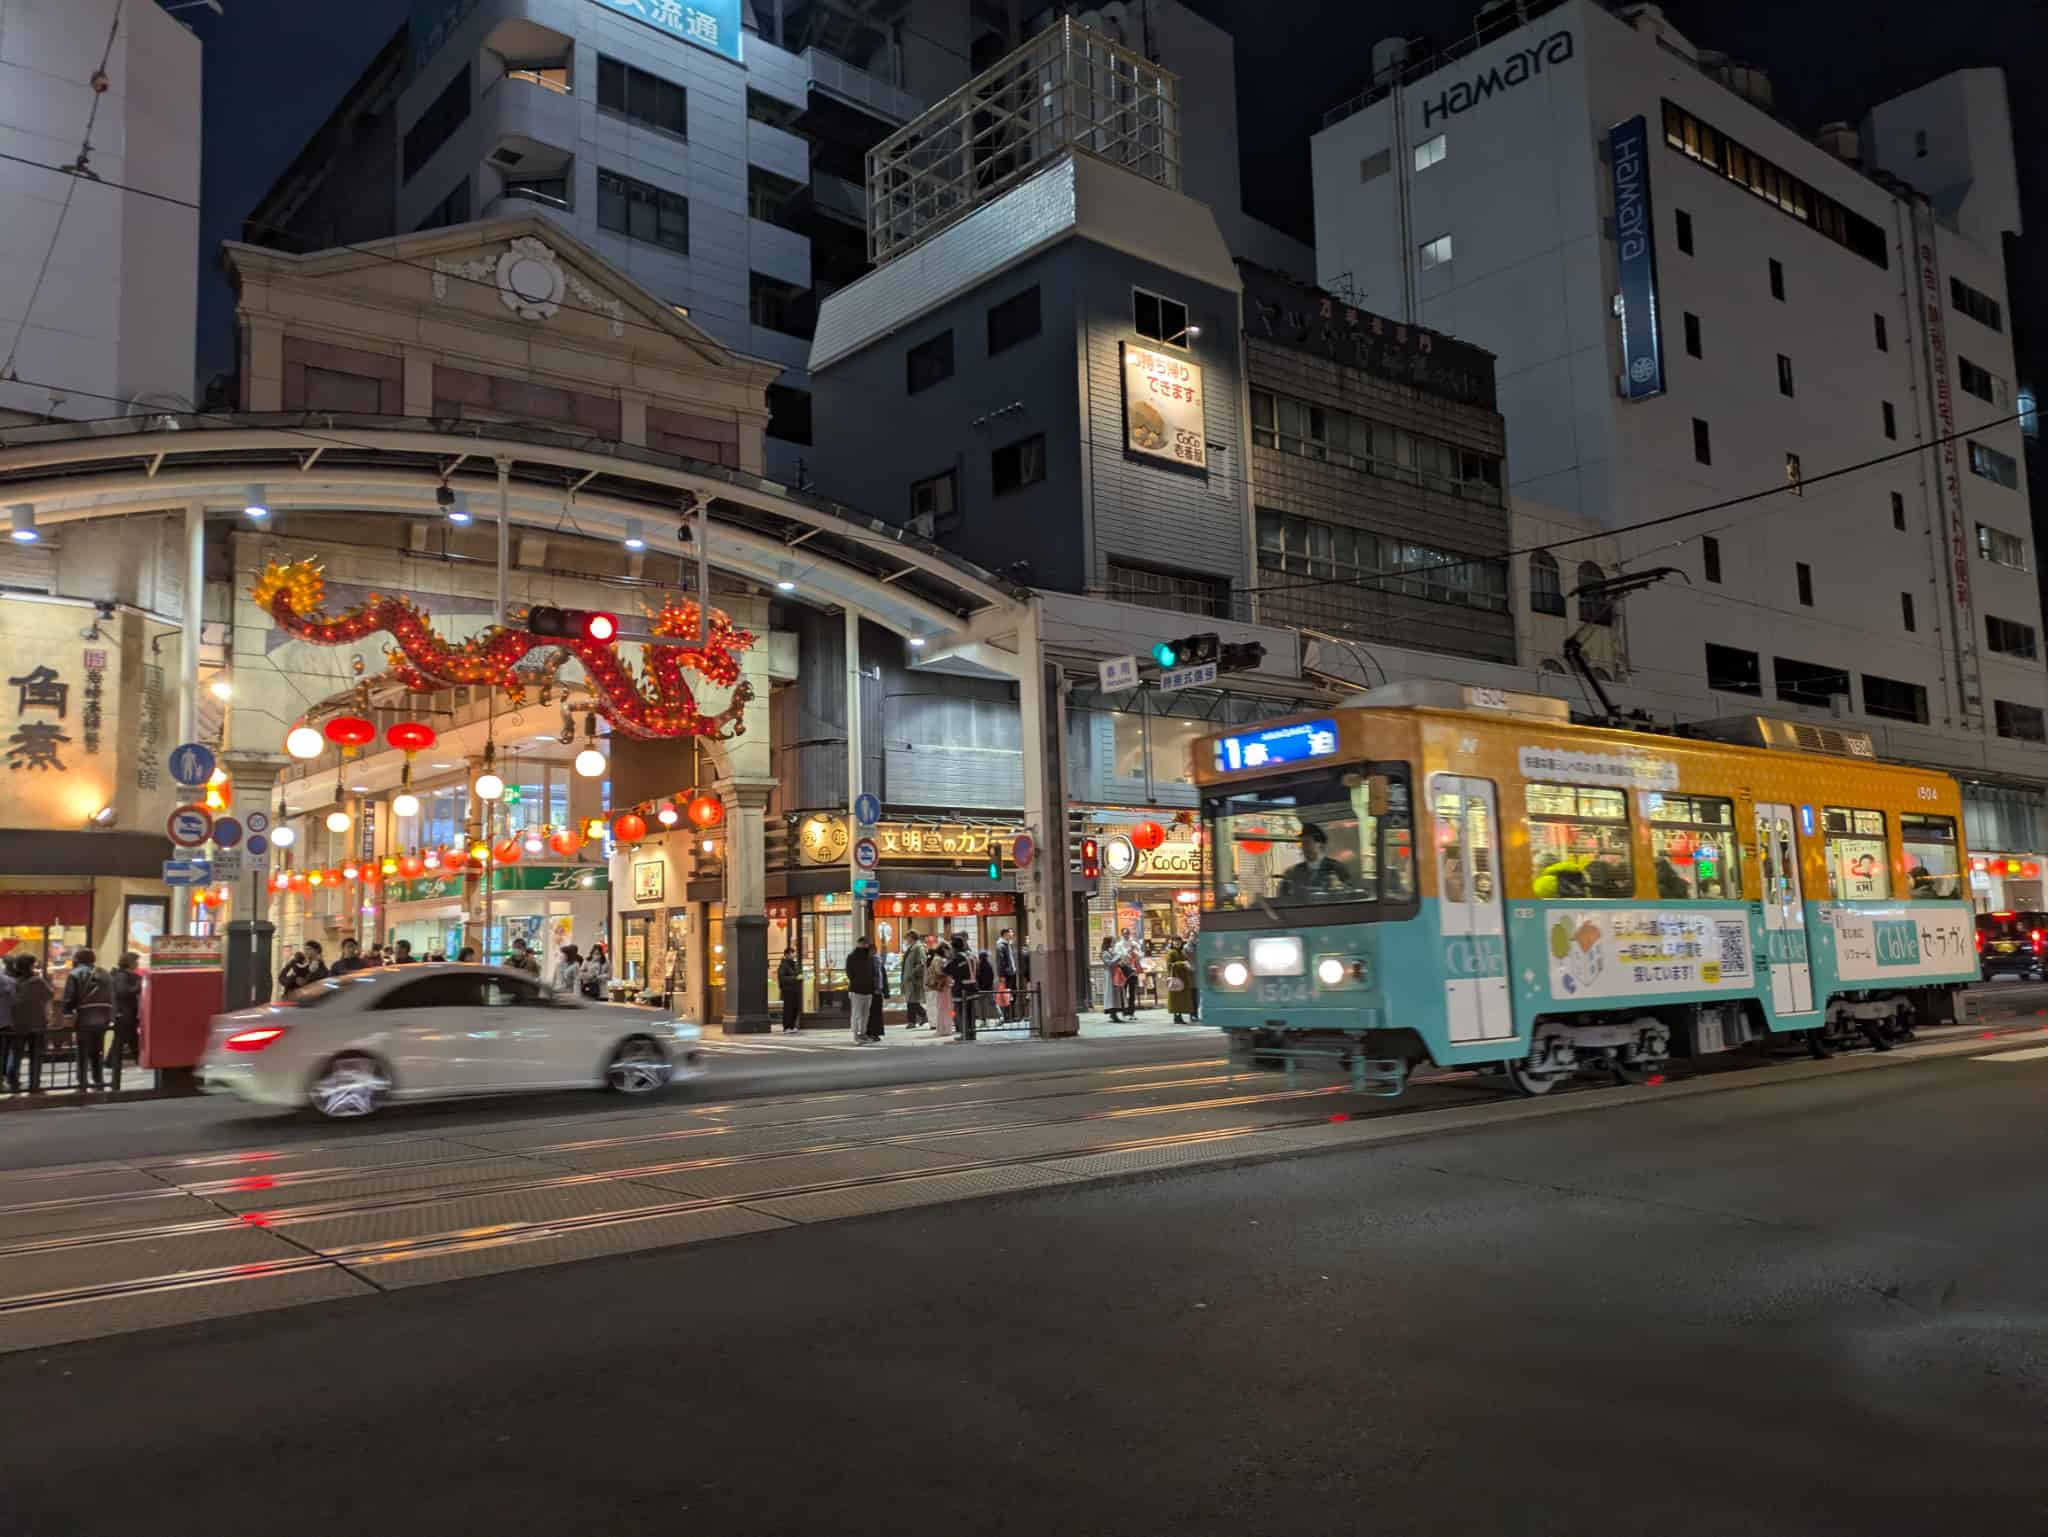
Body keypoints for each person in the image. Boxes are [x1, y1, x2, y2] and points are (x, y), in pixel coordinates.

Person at [62, 948, 115, 1092]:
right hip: (103, 1015)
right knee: (97, 1050)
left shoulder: (75, 973)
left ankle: (82, 1082)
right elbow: (112, 995)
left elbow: (69, 997)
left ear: (77, 959)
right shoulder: (105, 973)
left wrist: (67, 1013)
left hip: (85, 1015)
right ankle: (98, 1081)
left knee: (83, 1051)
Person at [5, 954, 52, 1093]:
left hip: (17, 1023)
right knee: (36, 1055)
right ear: (31, 966)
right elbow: (49, 994)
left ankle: (13, 1083)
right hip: (37, 1023)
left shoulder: (12, 982)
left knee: (16, 1054)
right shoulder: (38, 981)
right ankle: (34, 1084)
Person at [1279, 824, 1352, 900]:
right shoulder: (1294, 872)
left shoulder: (1337, 868)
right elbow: (1284, 898)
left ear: (1320, 845)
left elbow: (1349, 894)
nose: (1303, 847)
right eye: (1302, 843)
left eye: (1307, 842)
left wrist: (1339, 886)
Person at [109, 952, 144, 1090]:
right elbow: (123, 992)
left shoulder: (125, 975)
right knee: (124, 1038)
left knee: (126, 1038)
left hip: (126, 1012)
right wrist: (138, 986)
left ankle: (111, 1062)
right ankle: (113, 1063)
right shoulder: (121, 976)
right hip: (123, 1012)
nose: (138, 964)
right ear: (129, 962)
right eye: (136, 961)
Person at [844, 934, 880, 1044]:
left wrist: (874, 986)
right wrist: (857, 981)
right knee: (857, 1014)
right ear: (859, 943)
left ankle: (863, 1034)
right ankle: (856, 1036)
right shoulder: (852, 956)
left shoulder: (870, 957)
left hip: (867, 990)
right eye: (863, 943)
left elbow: (874, 972)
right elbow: (849, 972)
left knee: (865, 1014)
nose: (864, 945)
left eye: (866, 944)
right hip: (857, 990)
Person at [945, 935, 976, 1038]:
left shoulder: (958, 957)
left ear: (954, 947)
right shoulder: (970, 955)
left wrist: (948, 957)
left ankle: (965, 1034)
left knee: (961, 1013)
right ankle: (972, 1033)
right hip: (972, 987)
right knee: (971, 1013)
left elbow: (946, 969)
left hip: (961, 988)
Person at [900, 929, 928, 1027]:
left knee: (912, 1000)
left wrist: (912, 973)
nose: (906, 940)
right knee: (911, 1000)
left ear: (911, 938)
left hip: (913, 979)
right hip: (908, 979)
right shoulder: (911, 948)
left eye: (907, 938)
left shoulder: (918, 948)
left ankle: (915, 1019)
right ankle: (918, 1018)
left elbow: (922, 962)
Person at [1167, 939, 1198, 1024]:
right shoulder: (1171, 952)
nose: (1177, 943)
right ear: (1172, 943)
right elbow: (1170, 965)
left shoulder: (1181, 952)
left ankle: (1179, 1016)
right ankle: (1177, 1017)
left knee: (1181, 999)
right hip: (1176, 978)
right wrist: (1182, 963)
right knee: (1176, 998)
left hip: (1183, 979)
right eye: (1175, 941)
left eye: (1179, 942)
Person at [995, 928, 1019, 1021]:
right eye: (1010, 932)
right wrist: (1002, 975)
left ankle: (1011, 1015)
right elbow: (1000, 962)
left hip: (1012, 973)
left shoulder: (1009, 944)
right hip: (1007, 974)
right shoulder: (1001, 945)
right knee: (1006, 995)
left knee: (1012, 994)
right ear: (1005, 934)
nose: (1012, 934)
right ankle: (1007, 1016)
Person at [777, 947, 803, 1032]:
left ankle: (793, 1026)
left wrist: (800, 977)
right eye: (792, 953)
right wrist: (795, 978)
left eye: (794, 953)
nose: (794, 955)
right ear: (787, 955)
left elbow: (798, 973)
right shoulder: (783, 965)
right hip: (788, 990)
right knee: (788, 1008)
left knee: (795, 1007)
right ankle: (786, 1027)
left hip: (795, 990)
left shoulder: (794, 964)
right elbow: (782, 978)